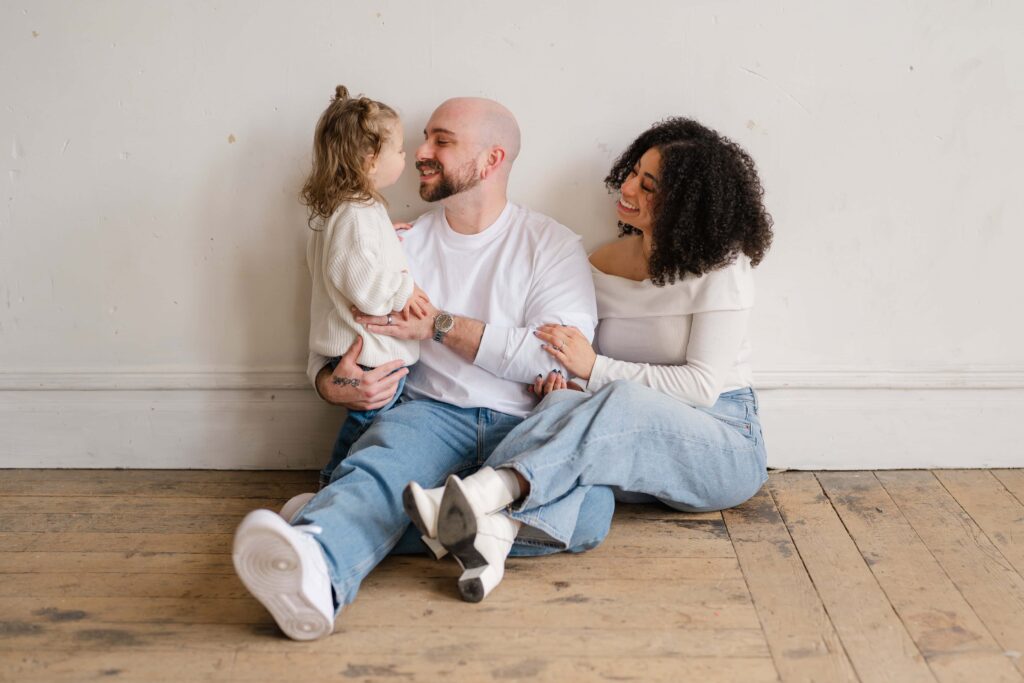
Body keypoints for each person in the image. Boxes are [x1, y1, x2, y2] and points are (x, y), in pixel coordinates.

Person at [232, 96, 614, 640]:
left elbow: (558, 355)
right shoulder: (393, 242)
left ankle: (335, 512)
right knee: (384, 471)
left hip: (527, 421)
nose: (421, 153)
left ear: (492, 159)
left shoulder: (550, 245)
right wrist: (332, 384)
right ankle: (316, 568)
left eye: (442, 141)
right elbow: (336, 334)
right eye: (424, 139)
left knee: (593, 510)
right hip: (428, 411)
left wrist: (438, 325)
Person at [406, 117, 774, 601]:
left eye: (649, 184)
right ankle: (496, 536)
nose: (627, 187)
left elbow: (701, 388)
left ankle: (481, 492)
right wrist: (567, 385)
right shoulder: (601, 263)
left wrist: (592, 370)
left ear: (687, 203)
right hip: (624, 449)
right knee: (563, 417)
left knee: (622, 397)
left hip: (720, 442)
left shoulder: (724, 268)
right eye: (633, 171)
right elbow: (581, 372)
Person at [299, 86, 431, 492]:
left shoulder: (351, 211)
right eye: (399, 150)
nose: (407, 157)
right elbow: (367, 289)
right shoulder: (356, 213)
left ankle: (344, 484)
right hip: (369, 353)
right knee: (370, 422)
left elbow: (348, 257)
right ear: (370, 159)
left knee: (374, 421)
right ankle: (335, 482)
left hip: (365, 352)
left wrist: (385, 239)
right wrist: (405, 289)